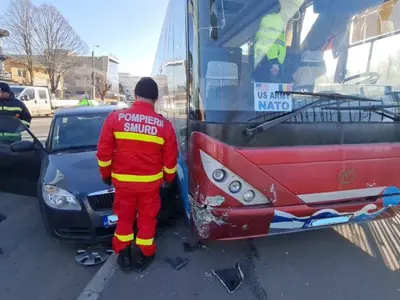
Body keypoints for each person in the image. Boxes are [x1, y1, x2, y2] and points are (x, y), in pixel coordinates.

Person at [96, 77, 178, 272]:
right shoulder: (163, 125)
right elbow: (170, 160)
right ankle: (145, 254)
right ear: (156, 99)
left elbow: (104, 153)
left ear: (134, 95)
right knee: (147, 219)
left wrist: (106, 175)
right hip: (150, 185)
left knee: (124, 218)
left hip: (123, 184)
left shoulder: (115, 118)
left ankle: (123, 254)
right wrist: (168, 179)